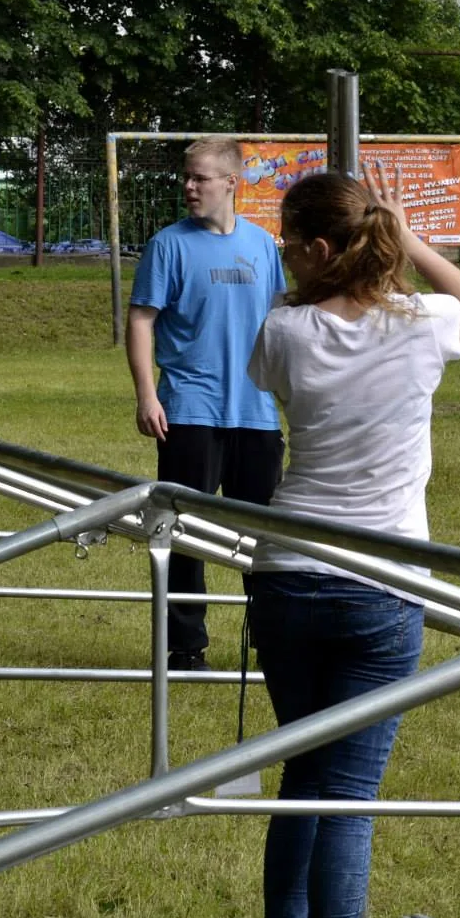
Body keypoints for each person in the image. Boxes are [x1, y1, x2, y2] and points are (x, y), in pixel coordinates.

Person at [243, 164, 460, 918]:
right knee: (347, 801)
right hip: (382, 588)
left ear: (318, 250)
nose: (282, 255)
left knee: (303, 780)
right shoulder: (425, 323)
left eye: (287, 242)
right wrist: (409, 239)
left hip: (286, 576)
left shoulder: (286, 327)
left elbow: (269, 380)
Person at [126, 135, 286, 671]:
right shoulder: (168, 245)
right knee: (185, 533)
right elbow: (142, 319)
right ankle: (185, 648)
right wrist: (147, 394)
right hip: (189, 410)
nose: (189, 187)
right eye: (186, 178)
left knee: (264, 537)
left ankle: (270, 642)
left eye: (200, 178)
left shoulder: (263, 245)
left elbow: (281, 321)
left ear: (231, 183)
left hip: (257, 414)